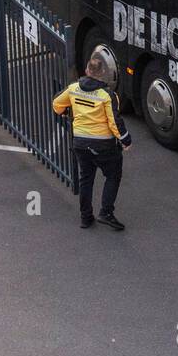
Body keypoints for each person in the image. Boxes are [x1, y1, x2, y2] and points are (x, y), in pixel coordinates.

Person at [52, 53, 132, 230]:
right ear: (102, 73)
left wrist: (66, 113)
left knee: (86, 179)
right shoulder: (107, 95)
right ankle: (106, 212)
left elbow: (57, 104)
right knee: (112, 175)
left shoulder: (73, 88)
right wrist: (125, 140)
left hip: (80, 143)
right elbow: (114, 121)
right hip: (104, 145)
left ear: (87, 70)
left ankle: (86, 218)